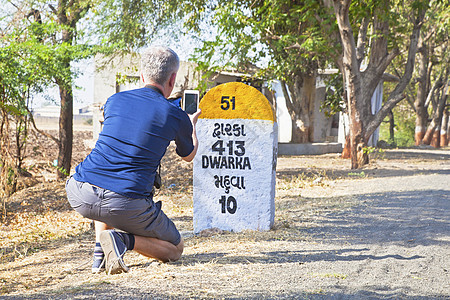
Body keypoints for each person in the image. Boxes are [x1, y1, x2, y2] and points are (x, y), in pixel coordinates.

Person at [66, 46, 201, 275]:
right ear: (172, 79)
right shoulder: (175, 115)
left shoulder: (114, 100)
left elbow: (106, 117)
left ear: (141, 75)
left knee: (105, 180)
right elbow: (188, 155)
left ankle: (99, 256)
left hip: (79, 191)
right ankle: (122, 241)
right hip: (125, 202)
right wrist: (192, 125)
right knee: (176, 248)